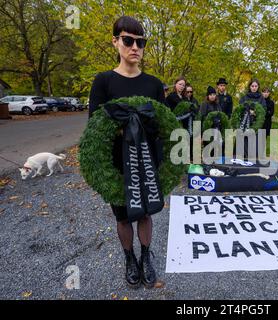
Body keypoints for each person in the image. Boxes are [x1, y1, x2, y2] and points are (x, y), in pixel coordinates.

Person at [88, 16, 165, 289]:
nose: (135, 47)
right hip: (117, 163)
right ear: (115, 41)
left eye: (140, 42)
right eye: (128, 40)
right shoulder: (103, 81)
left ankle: (146, 256)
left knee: (145, 213)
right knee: (122, 215)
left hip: (147, 162)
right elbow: (94, 128)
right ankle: (129, 257)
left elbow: (162, 125)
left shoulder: (155, 84)